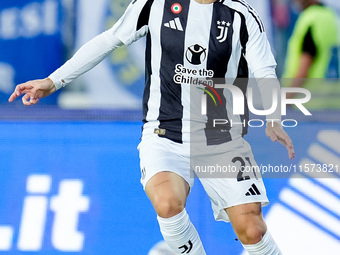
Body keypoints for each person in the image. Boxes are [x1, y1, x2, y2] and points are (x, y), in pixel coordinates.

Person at [9, 0, 295, 254]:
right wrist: (53, 81)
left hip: (221, 137)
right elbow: (108, 40)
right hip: (164, 132)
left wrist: (274, 118)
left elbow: (264, 71)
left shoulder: (241, 15)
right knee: (167, 202)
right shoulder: (155, 5)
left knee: (252, 230)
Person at [283, 0, 339, 99]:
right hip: (332, 100)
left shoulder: (311, 19)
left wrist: (286, 99)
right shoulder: (331, 16)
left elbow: (304, 67)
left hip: (310, 103)